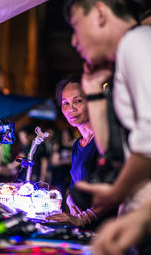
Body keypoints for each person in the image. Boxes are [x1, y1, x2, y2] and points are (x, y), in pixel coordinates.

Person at [63, 0, 151, 253]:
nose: (75, 42)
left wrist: (116, 193)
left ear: (100, 13)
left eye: (76, 26)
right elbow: (113, 151)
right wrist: (90, 89)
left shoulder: (138, 42)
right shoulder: (126, 58)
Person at [48, 75, 115, 228]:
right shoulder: (78, 145)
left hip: (106, 232)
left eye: (78, 101)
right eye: (65, 103)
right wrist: (70, 199)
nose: (71, 109)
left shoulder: (105, 140)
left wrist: (85, 218)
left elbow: (116, 190)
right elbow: (76, 184)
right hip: (83, 232)